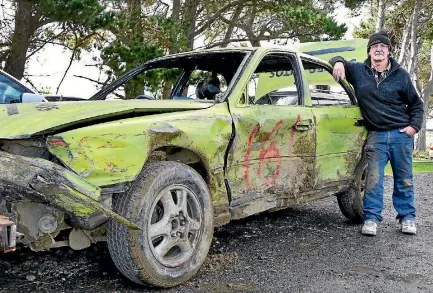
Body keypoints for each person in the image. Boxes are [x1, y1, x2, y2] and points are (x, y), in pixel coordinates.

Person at [330, 31, 424, 236]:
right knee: (373, 180)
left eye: (383, 47)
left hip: (401, 134)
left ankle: (407, 218)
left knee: (404, 179)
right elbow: (336, 60)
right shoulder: (358, 71)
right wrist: (338, 63)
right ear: (369, 51)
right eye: (374, 46)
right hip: (376, 135)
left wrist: (413, 128)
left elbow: (417, 105)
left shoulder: (401, 75)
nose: (379, 49)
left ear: (389, 52)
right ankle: (371, 219)